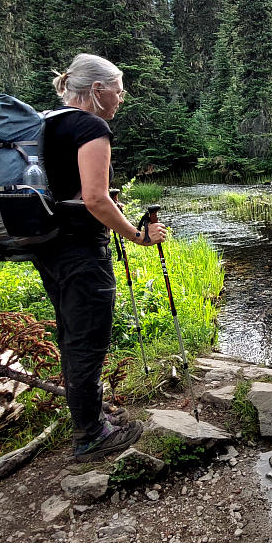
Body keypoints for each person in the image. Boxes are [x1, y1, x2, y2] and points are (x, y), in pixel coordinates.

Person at [34, 53, 167, 461]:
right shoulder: (91, 125)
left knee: (71, 334)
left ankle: (87, 417)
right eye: (118, 88)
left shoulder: (47, 123)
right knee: (88, 338)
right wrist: (137, 235)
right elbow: (95, 197)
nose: (121, 96)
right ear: (96, 90)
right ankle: (91, 436)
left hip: (49, 245)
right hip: (80, 249)